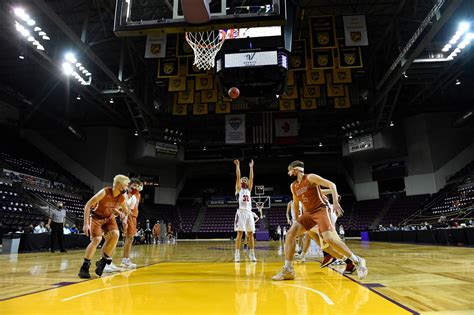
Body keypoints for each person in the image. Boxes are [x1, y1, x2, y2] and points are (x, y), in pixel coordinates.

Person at [272, 160, 367, 281]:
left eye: (289, 170)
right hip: (308, 214)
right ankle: (288, 270)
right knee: (291, 234)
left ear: (295, 169)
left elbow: (332, 185)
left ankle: (357, 260)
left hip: (321, 210)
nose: (288, 173)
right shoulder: (293, 186)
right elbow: (296, 204)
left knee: (329, 239)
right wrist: (296, 221)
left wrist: (336, 203)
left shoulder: (311, 177)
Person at [78, 175, 130, 279]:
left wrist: (123, 217)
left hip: (109, 218)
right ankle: (84, 267)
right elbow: (88, 205)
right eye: (126, 184)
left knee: (115, 234)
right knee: (97, 239)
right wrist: (86, 223)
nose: (127, 187)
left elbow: (127, 211)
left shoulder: (121, 197)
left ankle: (103, 261)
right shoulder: (104, 192)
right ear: (120, 185)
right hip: (97, 217)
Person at [233, 159, 257, 262]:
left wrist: (251, 167)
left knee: (251, 234)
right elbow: (238, 176)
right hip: (241, 212)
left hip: (249, 213)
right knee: (240, 234)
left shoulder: (249, 189)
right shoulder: (239, 189)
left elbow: (251, 178)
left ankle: (252, 254)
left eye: (245, 180)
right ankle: (237, 254)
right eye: (243, 180)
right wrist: (238, 166)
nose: (244, 180)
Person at [121, 178, 143, 269]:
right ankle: (125, 259)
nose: (136, 187)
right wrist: (125, 219)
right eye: (134, 185)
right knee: (129, 237)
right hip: (128, 215)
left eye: (138, 186)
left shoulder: (138, 194)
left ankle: (126, 259)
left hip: (134, 216)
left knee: (131, 238)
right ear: (129, 185)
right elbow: (125, 207)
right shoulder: (126, 193)